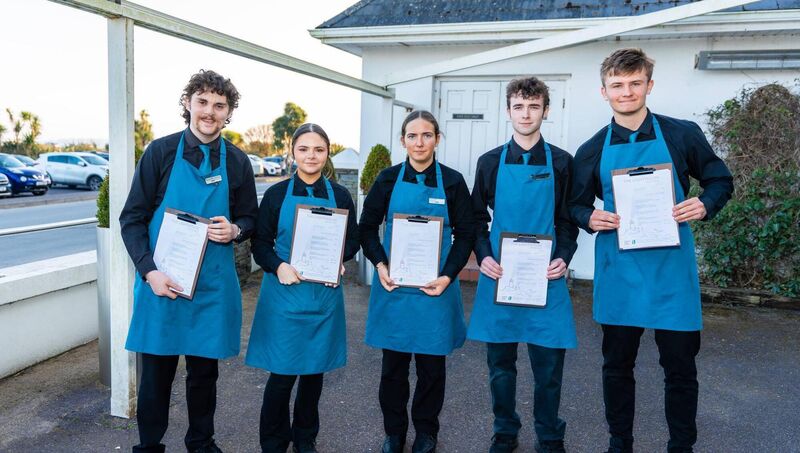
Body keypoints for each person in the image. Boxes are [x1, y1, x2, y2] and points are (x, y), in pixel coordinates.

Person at [569, 48, 734, 453]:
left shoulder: (681, 134)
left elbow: (719, 179)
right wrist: (589, 218)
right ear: (604, 91)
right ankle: (619, 443)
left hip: (671, 274)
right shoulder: (591, 149)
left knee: (680, 370)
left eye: (634, 83)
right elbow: (573, 204)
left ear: (649, 85)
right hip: (620, 272)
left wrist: (705, 203)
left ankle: (681, 446)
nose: (626, 92)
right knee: (616, 367)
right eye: (617, 85)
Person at [120, 70, 258, 453]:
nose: (209, 112)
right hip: (162, 284)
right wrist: (150, 272)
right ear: (188, 104)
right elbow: (131, 219)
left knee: (204, 375)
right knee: (155, 378)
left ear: (228, 112)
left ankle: (201, 442)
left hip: (212, 287)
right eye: (202, 102)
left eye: (219, 105)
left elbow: (250, 218)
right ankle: (149, 445)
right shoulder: (160, 153)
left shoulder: (237, 161)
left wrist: (235, 230)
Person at [468, 77, 578, 453]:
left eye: (534, 106)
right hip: (501, 276)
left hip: (545, 276)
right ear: (508, 111)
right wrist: (483, 255)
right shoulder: (488, 163)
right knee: (500, 366)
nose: (526, 113)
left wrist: (564, 256)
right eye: (519, 106)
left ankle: (549, 433)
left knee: (548, 368)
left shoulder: (563, 162)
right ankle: (504, 429)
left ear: (545, 111)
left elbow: (567, 219)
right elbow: (475, 219)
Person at [360, 110, 476, 453]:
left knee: (431, 370)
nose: (420, 142)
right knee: (392, 369)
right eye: (413, 136)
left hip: (435, 290)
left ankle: (426, 433)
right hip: (394, 288)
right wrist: (380, 264)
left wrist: (447, 275)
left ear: (437, 139)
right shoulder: (386, 179)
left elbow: (467, 234)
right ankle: (394, 434)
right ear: (403, 141)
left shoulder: (453, 182)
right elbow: (366, 228)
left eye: (427, 135)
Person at [246, 123, 360, 453]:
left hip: (323, 296)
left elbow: (351, 239)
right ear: (293, 152)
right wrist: (279, 266)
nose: (312, 156)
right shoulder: (276, 194)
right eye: (304, 149)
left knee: (314, 375)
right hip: (284, 296)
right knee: (281, 377)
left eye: (319, 149)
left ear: (327, 154)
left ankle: (305, 439)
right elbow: (261, 243)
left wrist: (341, 258)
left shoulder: (340, 195)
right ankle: (273, 442)